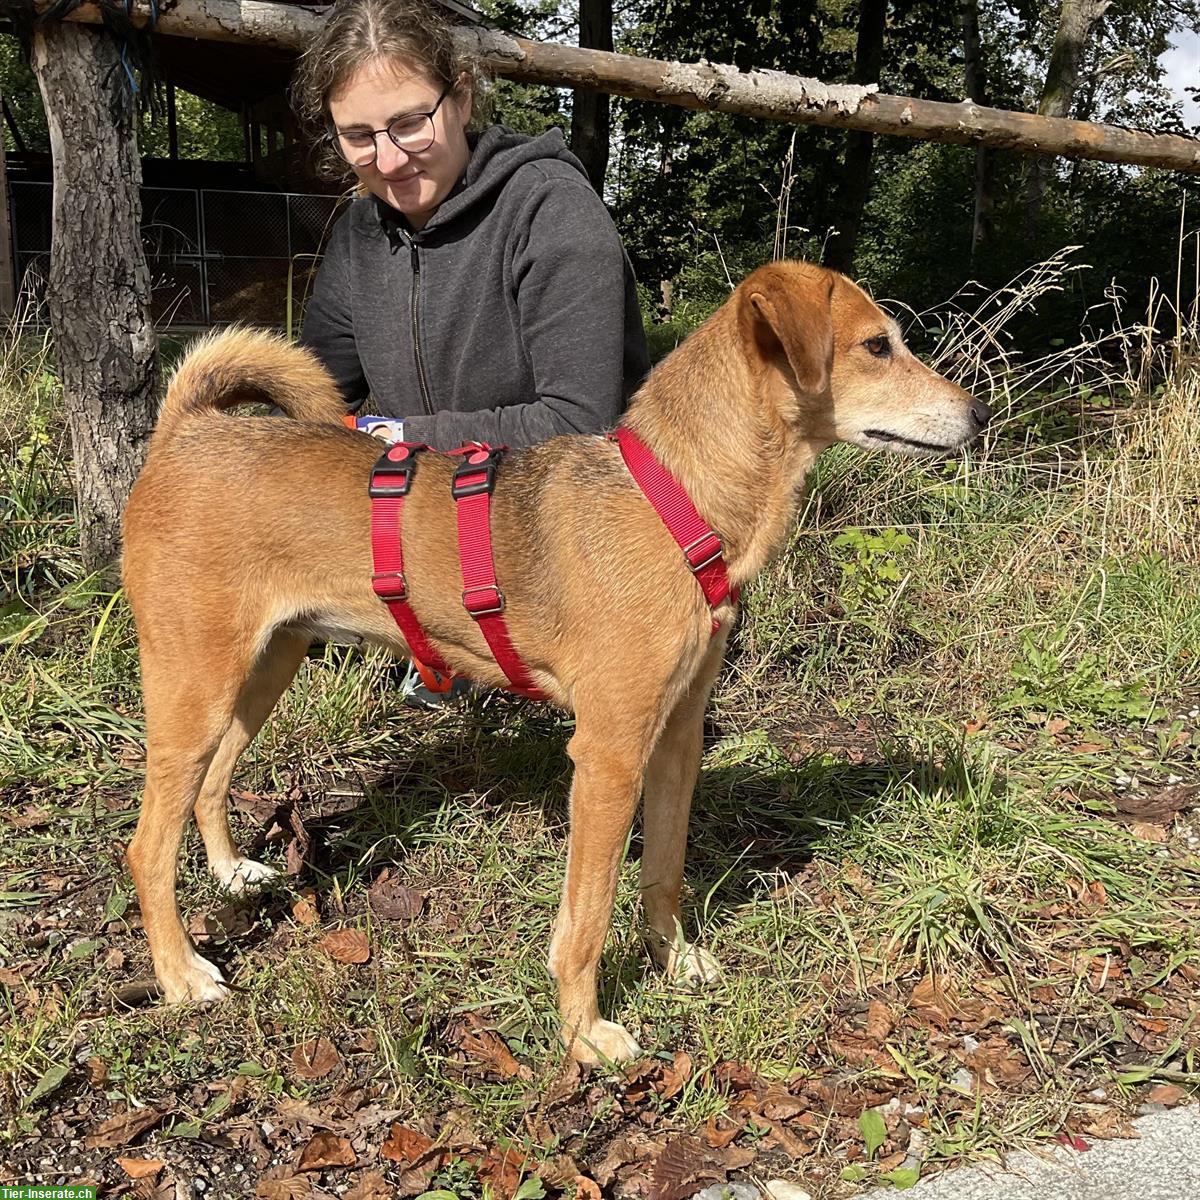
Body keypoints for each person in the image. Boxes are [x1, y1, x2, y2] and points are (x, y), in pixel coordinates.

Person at [291, 0, 650, 450]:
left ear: (461, 99)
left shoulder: (549, 208)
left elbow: (579, 423)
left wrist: (400, 436)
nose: (388, 161)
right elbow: (310, 404)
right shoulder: (358, 235)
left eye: (410, 124)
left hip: (561, 505)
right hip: (432, 504)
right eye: (359, 136)